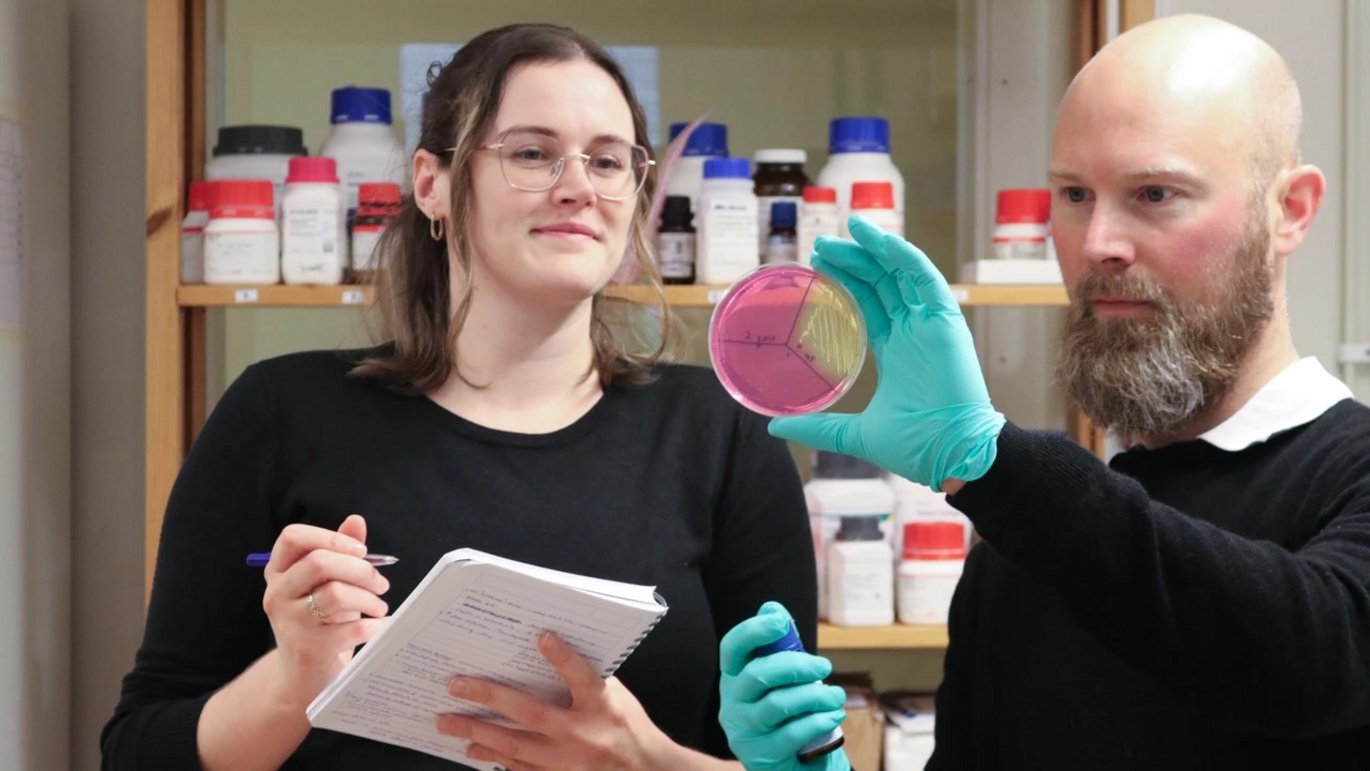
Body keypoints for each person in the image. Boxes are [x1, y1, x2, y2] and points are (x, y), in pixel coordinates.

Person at [102, 23, 816, 770]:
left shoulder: (722, 433)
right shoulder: (281, 411)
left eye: (608, 160)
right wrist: (294, 678)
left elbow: (801, 757)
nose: (577, 185)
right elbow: (136, 752)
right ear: (432, 183)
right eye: (533, 153)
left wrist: (640, 762)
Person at [718, 14, 1370, 770]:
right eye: (1074, 194)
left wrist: (991, 466)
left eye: (1155, 193)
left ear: (1289, 209)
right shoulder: (1028, 545)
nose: (1098, 244)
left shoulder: (1345, 476)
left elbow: (1312, 660)